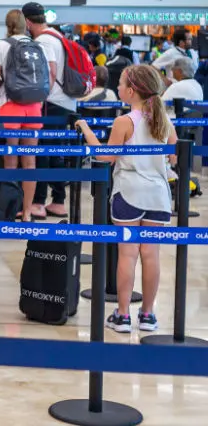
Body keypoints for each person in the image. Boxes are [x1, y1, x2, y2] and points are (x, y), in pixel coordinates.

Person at [75, 65, 176, 333]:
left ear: (131, 92)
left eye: (120, 84)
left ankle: (122, 315)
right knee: (151, 255)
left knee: (128, 255)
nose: (117, 88)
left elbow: (106, 157)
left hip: (129, 192)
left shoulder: (124, 122)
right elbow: (174, 155)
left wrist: (86, 129)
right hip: (158, 195)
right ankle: (148, 315)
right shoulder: (165, 120)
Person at [0, 9, 52, 221]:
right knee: (30, 162)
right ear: (26, 25)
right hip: (34, 107)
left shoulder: (1, 45)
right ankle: (27, 212)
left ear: (7, 25)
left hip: (10, 106)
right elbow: (47, 80)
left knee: (10, 161)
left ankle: (10, 211)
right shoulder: (38, 47)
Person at [23, 2, 78, 220]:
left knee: (43, 151)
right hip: (66, 101)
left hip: (51, 101)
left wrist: (38, 96)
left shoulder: (43, 40)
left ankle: (38, 202)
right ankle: (58, 201)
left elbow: (50, 72)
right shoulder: (57, 35)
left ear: (27, 21)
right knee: (55, 150)